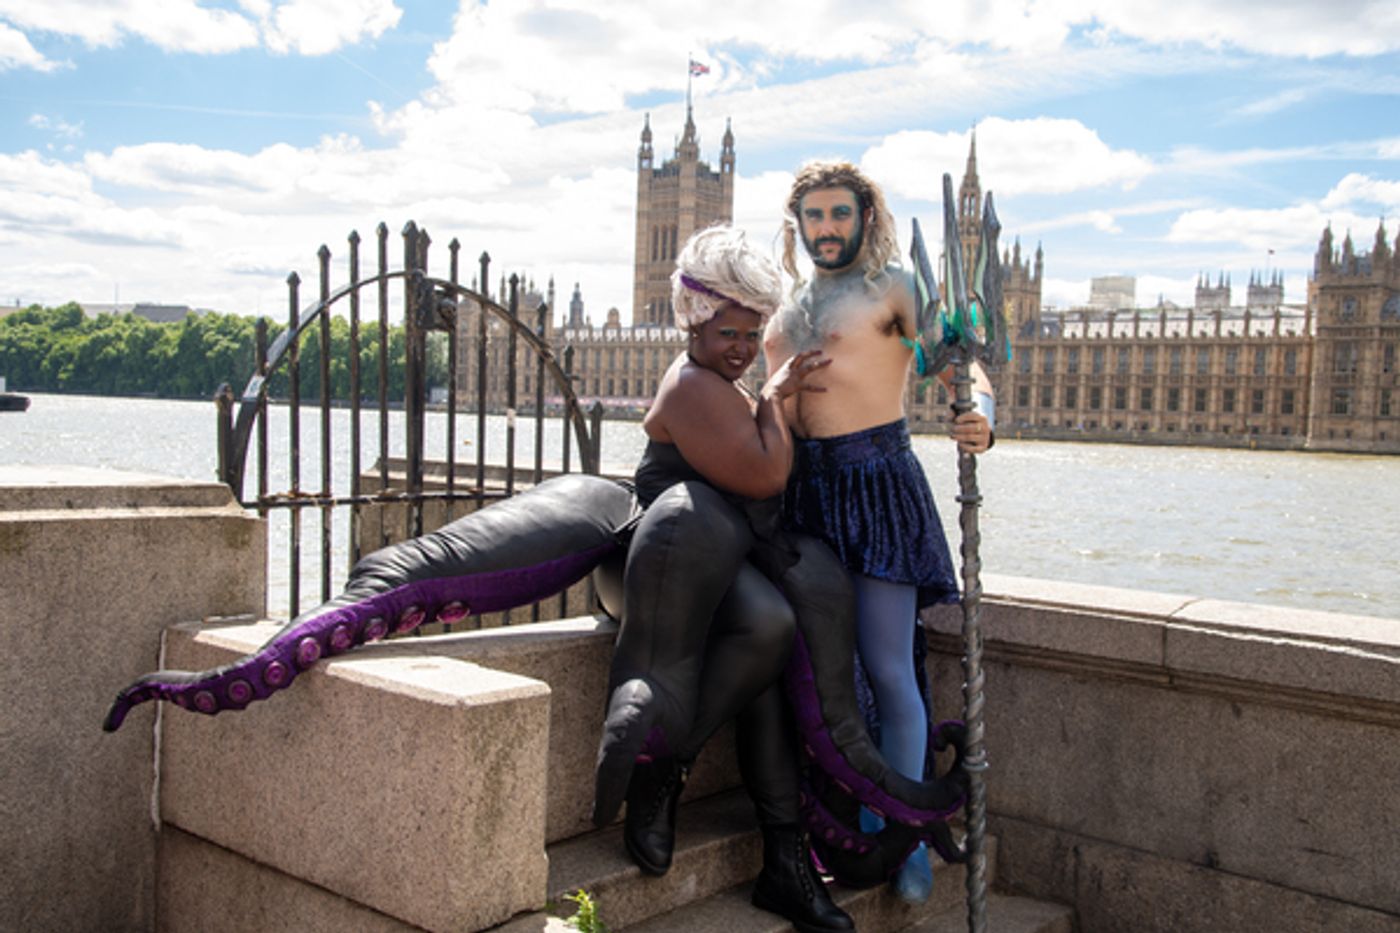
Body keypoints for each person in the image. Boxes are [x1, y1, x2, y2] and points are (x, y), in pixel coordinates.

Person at [591, 223, 854, 932]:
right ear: (694, 323)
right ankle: (662, 768)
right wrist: (770, 393)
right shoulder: (694, 385)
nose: (742, 345)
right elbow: (768, 471)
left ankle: (786, 861)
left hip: (713, 562)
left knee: (770, 667)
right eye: (729, 331)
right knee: (769, 626)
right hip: (657, 568)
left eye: (753, 331)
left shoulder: (723, 380)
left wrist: (763, 388)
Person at [764, 161, 995, 904]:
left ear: (865, 215)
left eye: (839, 213)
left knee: (890, 668)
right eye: (813, 216)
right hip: (803, 492)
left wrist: (981, 417)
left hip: (875, 481)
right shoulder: (787, 302)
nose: (826, 228)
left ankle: (908, 836)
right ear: (796, 222)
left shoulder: (895, 287)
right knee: (826, 676)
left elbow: (964, 361)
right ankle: (852, 827)